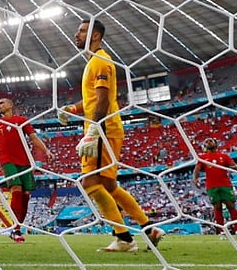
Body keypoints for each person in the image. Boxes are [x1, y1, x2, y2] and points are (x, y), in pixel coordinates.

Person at [58, 19, 165, 252]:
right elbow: (93, 99)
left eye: (82, 30)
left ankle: (125, 239)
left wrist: (93, 131)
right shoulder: (94, 62)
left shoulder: (100, 61)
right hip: (107, 127)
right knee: (108, 184)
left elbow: (103, 100)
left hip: (103, 128)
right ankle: (150, 229)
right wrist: (73, 109)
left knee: (89, 183)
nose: (76, 34)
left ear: (95, 36)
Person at [0, 98, 53, 242]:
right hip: (8, 161)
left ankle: (17, 229)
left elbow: (34, 138)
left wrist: (46, 151)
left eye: (2, 102)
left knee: (26, 195)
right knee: (16, 188)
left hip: (26, 161)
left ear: (10, 105)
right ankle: (15, 229)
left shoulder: (22, 120)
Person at [192, 138, 237, 238]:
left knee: (231, 206)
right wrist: (195, 179)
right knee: (217, 207)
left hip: (225, 185)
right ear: (205, 146)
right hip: (212, 186)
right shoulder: (202, 157)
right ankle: (221, 232)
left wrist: (236, 167)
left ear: (216, 144)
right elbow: (196, 169)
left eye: (211, 140)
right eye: (206, 141)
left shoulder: (223, 156)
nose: (208, 142)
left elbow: (234, 166)